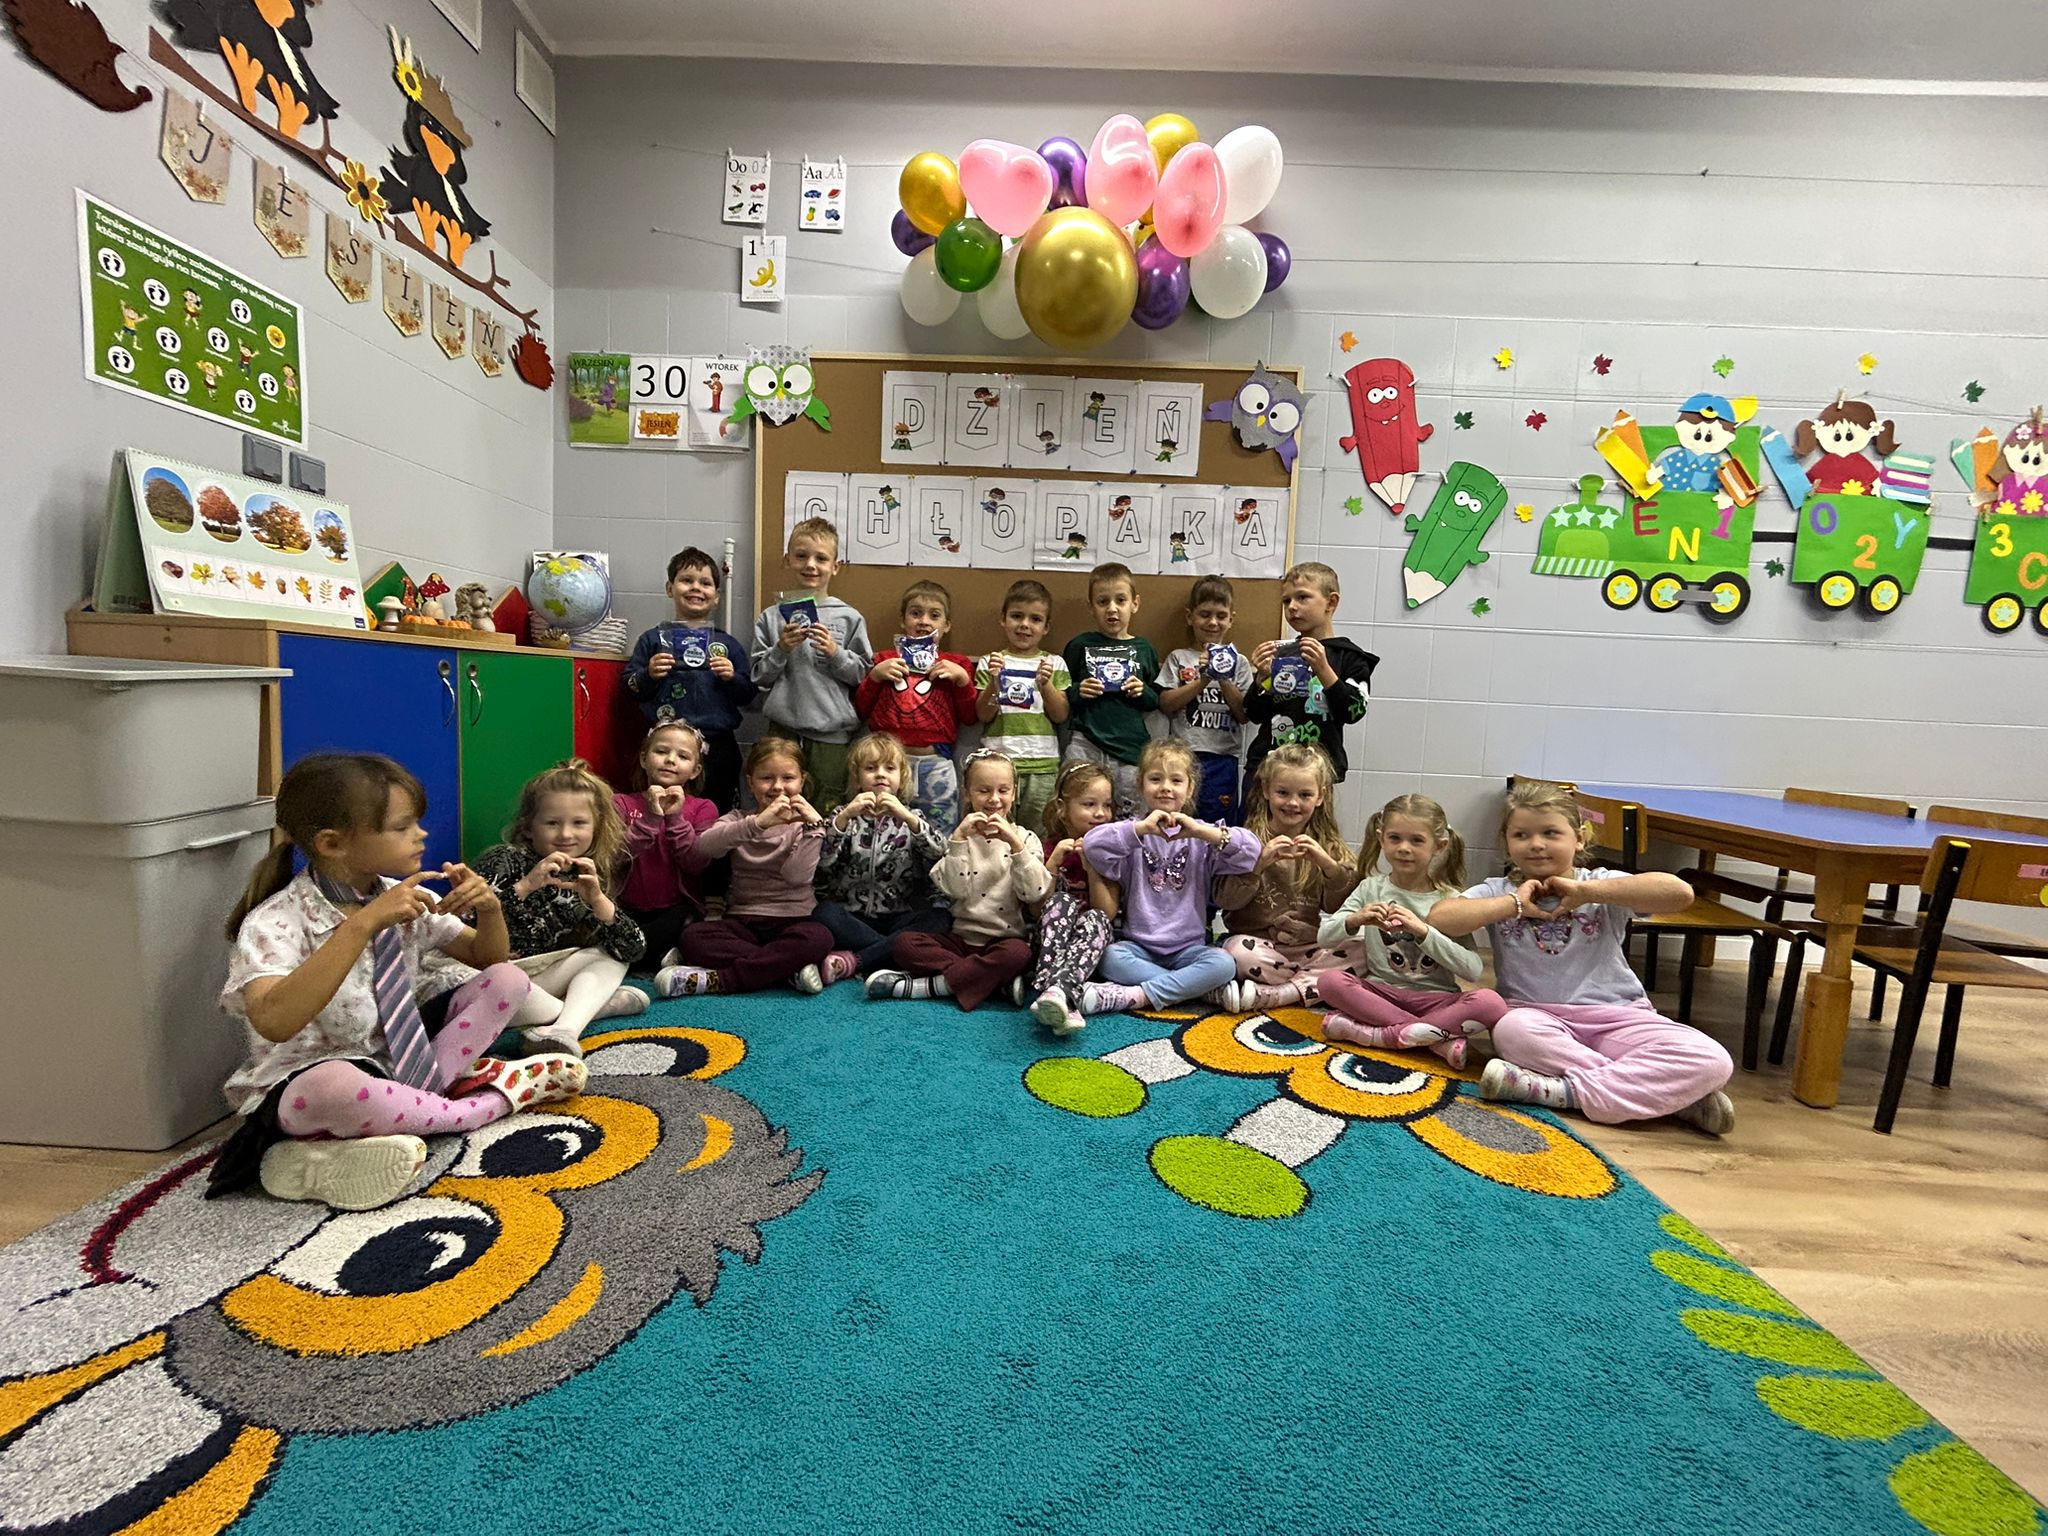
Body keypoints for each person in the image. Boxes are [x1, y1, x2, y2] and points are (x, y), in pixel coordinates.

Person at [218, 754, 585, 1211]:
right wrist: (361, 925)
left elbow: (487, 959)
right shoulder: (275, 923)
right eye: (402, 826)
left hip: (395, 1063)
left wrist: (490, 909)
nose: (421, 834)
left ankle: (376, 1127)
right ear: (333, 844)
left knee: (509, 980)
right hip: (307, 1086)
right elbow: (274, 1021)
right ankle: (480, 1107)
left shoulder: (407, 896)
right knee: (331, 1085)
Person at [1427, 780, 1736, 1135]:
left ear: (1580, 839)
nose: (1536, 844)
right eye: (1521, 835)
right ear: (1507, 843)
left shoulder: (1602, 883)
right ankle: (1671, 1098)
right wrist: (1513, 905)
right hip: (1536, 1017)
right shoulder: (1499, 890)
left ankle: (1562, 1092)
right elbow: (1440, 918)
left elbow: (1680, 894)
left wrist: (1587, 891)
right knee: (1510, 1031)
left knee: (1713, 1059)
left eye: (1550, 833)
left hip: (1619, 1016)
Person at [1317, 793, 1507, 1069]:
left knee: (1491, 1003)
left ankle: (1380, 1035)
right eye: (1395, 838)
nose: (1404, 848)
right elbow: (1325, 937)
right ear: (1382, 839)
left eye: (1417, 840)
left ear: (1439, 846)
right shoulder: (1370, 888)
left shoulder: (1449, 901)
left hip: (1437, 1000)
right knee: (1330, 982)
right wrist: (1355, 919)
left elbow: (1473, 970)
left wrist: (1424, 932)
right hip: (1381, 994)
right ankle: (1433, 1039)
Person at [477, 760, 648, 1057]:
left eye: (579, 823)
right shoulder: (504, 859)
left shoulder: (586, 874)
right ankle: (592, 1007)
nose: (566, 834)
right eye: (552, 823)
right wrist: (525, 886)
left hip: (547, 978)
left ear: (596, 828)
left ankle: (565, 1030)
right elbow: (469, 926)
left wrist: (599, 901)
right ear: (528, 827)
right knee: (507, 987)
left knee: (610, 957)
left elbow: (633, 950)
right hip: (501, 982)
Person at [1079, 739, 1260, 1014]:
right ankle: (1199, 990)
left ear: (1190, 788)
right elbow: (1092, 845)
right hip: (1138, 947)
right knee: (1109, 957)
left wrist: (1201, 832)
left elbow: (1252, 851)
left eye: (1176, 780)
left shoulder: (1202, 835)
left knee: (1224, 963)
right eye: (1155, 779)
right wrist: (1140, 829)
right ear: (1141, 785)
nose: (1165, 787)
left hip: (1189, 950)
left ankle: (1137, 995)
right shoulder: (1132, 833)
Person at [869, 750, 1050, 1009]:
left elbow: (1034, 892)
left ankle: (931, 987)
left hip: (1003, 941)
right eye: (984, 791)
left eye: (1003, 791)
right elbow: (955, 890)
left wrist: (1015, 846)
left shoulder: (1026, 839)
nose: (994, 799)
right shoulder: (959, 838)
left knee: (1020, 954)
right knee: (904, 944)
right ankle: (993, 983)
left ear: (1014, 794)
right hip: (958, 941)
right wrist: (957, 842)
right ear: (967, 793)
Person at [658, 738, 835, 996]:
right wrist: (758, 823)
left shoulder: (807, 825)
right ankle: (787, 970)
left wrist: (815, 830)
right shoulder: (738, 819)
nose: (777, 786)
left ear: (802, 781)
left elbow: (796, 877)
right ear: (750, 782)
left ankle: (723, 979)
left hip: (795, 921)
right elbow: (705, 846)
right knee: (693, 938)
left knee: (820, 938)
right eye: (766, 778)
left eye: (788, 778)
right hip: (743, 921)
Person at [1211, 744, 1359, 1013]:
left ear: (1320, 796)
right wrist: (1257, 866)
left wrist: (1328, 866)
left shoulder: (1327, 845)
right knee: (1238, 954)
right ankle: (1313, 986)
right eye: (1283, 793)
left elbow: (1339, 907)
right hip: (1258, 946)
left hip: (1308, 946)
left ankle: (1283, 992)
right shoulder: (1246, 841)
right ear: (1266, 790)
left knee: (1364, 948)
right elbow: (1226, 901)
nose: (1293, 803)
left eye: (1305, 795)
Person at [749, 517, 872, 815]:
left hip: (831, 738)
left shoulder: (849, 618)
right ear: (787, 560)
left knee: (828, 812)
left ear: (835, 566)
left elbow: (863, 677)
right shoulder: (771, 617)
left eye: (821, 558)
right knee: (778, 811)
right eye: (801, 556)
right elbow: (759, 677)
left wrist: (835, 653)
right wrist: (781, 649)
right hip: (782, 733)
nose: (811, 565)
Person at [812, 732, 951, 981]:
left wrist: (909, 818)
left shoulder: (912, 817)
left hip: (897, 917)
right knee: (823, 913)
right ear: (857, 778)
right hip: (851, 916)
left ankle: (856, 960)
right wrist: (844, 818)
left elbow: (940, 853)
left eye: (889, 768)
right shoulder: (843, 815)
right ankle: (893, 952)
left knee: (941, 918)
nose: (880, 774)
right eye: (870, 768)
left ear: (902, 777)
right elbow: (823, 863)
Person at [623, 547, 755, 812]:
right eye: (686, 580)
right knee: (661, 809)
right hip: (665, 746)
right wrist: (648, 674)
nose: (696, 587)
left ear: (716, 596)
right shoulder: (653, 640)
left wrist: (731, 677)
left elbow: (748, 695)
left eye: (705, 583)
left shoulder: (727, 644)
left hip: (717, 746)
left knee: (717, 812)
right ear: (670, 588)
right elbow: (630, 687)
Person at [853, 579, 978, 830]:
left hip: (935, 762)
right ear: (903, 620)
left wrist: (963, 680)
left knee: (939, 828)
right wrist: (875, 677)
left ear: (947, 625)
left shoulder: (956, 664)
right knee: (885, 824)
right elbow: (861, 710)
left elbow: (969, 717)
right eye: (916, 613)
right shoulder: (885, 659)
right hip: (887, 765)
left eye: (934, 615)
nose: (924, 621)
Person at [1244, 561, 1375, 787]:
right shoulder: (1281, 654)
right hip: (1267, 767)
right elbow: (1253, 713)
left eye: (1302, 597)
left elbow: (1354, 711)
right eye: (1286, 601)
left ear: (1331, 602)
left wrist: (1324, 669)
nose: (1292, 607)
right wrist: (1261, 680)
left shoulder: (1350, 657)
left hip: (1316, 772)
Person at [613, 722, 717, 974]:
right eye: (661, 751)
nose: (670, 760)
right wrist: (650, 818)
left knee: (685, 930)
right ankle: (649, 956)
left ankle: (636, 957)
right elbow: (613, 856)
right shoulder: (621, 803)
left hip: (676, 909)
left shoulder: (703, 808)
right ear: (644, 759)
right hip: (626, 907)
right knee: (609, 930)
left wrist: (675, 818)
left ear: (695, 770)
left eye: (683, 756)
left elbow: (695, 863)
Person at [1026, 760, 1119, 1037]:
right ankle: (1061, 992)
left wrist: (1093, 868)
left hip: (1090, 949)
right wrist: (1053, 864)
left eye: (1107, 805)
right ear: (1062, 808)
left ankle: (1057, 990)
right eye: (1089, 804)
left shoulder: (1110, 854)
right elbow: (1035, 911)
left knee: (1095, 917)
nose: (1100, 813)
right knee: (1061, 902)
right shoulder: (1044, 848)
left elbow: (1108, 914)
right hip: (1048, 948)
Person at [1062, 562, 1161, 818]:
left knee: (1130, 817)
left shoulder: (1144, 648)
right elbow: (1063, 693)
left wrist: (1142, 691)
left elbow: (1156, 699)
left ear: (1135, 604)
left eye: (1121, 600)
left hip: (1129, 749)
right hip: (1086, 742)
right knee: (1078, 811)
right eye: (1103, 602)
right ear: (1091, 607)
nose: (1112, 609)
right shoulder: (1079, 645)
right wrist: (1078, 691)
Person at [974, 578, 1071, 835]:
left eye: (1035, 619)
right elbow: (982, 714)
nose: (1025, 625)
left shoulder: (1054, 663)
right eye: (1017, 616)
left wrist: (1045, 684)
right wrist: (994, 683)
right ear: (1003, 619)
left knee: (1038, 834)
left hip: (1042, 766)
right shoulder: (990, 661)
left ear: (1046, 627)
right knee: (994, 834)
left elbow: (1060, 715)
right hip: (997, 765)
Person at [1155, 575, 1253, 824]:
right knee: (1178, 819)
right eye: (1205, 614)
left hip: (1222, 759)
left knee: (1218, 824)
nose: (1212, 622)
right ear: (1190, 617)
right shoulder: (1178, 658)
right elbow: (1166, 704)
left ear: (1231, 619)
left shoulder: (1240, 662)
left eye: (1221, 616)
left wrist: (1222, 676)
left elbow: (1244, 714)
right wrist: (1203, 679)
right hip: (1182, 757)